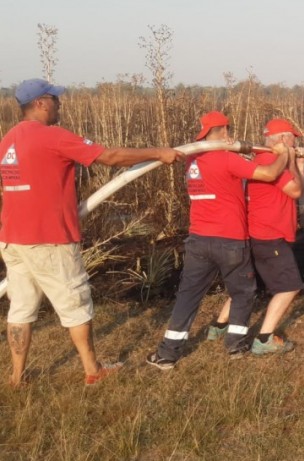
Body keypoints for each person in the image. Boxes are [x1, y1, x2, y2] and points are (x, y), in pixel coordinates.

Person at [0, 78, 183, 388]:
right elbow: (109, 157)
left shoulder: (8, 140)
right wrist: (158, 152)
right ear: (41, 103)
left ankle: (17, 377)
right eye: (55, 99)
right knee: (75, 303)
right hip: (49, 239)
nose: (59, 104)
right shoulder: (52, 137)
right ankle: (93, 370)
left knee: (21, 306)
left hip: (13, 238)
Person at [146, 111, 292, 370]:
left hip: (198, 240)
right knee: (243, 292)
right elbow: (269, 174)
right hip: (230, 240)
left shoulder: (193, 159)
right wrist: (283, 154)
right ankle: (235, 345)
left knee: (188, 296)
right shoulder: (226, 160)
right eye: (228, 130)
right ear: (223, 132)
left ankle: (168, 354)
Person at [207, 118, 304, 355]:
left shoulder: (261, 159)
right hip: (270, 236)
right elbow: (296, 190)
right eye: (293, 138)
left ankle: (218, 326)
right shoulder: (274, 161)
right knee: (290, 287)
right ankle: (264, 339)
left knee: (246, 285)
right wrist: (295, 163)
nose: (295, 142)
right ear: (283, 139)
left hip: (254, 233)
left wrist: (297, 163)